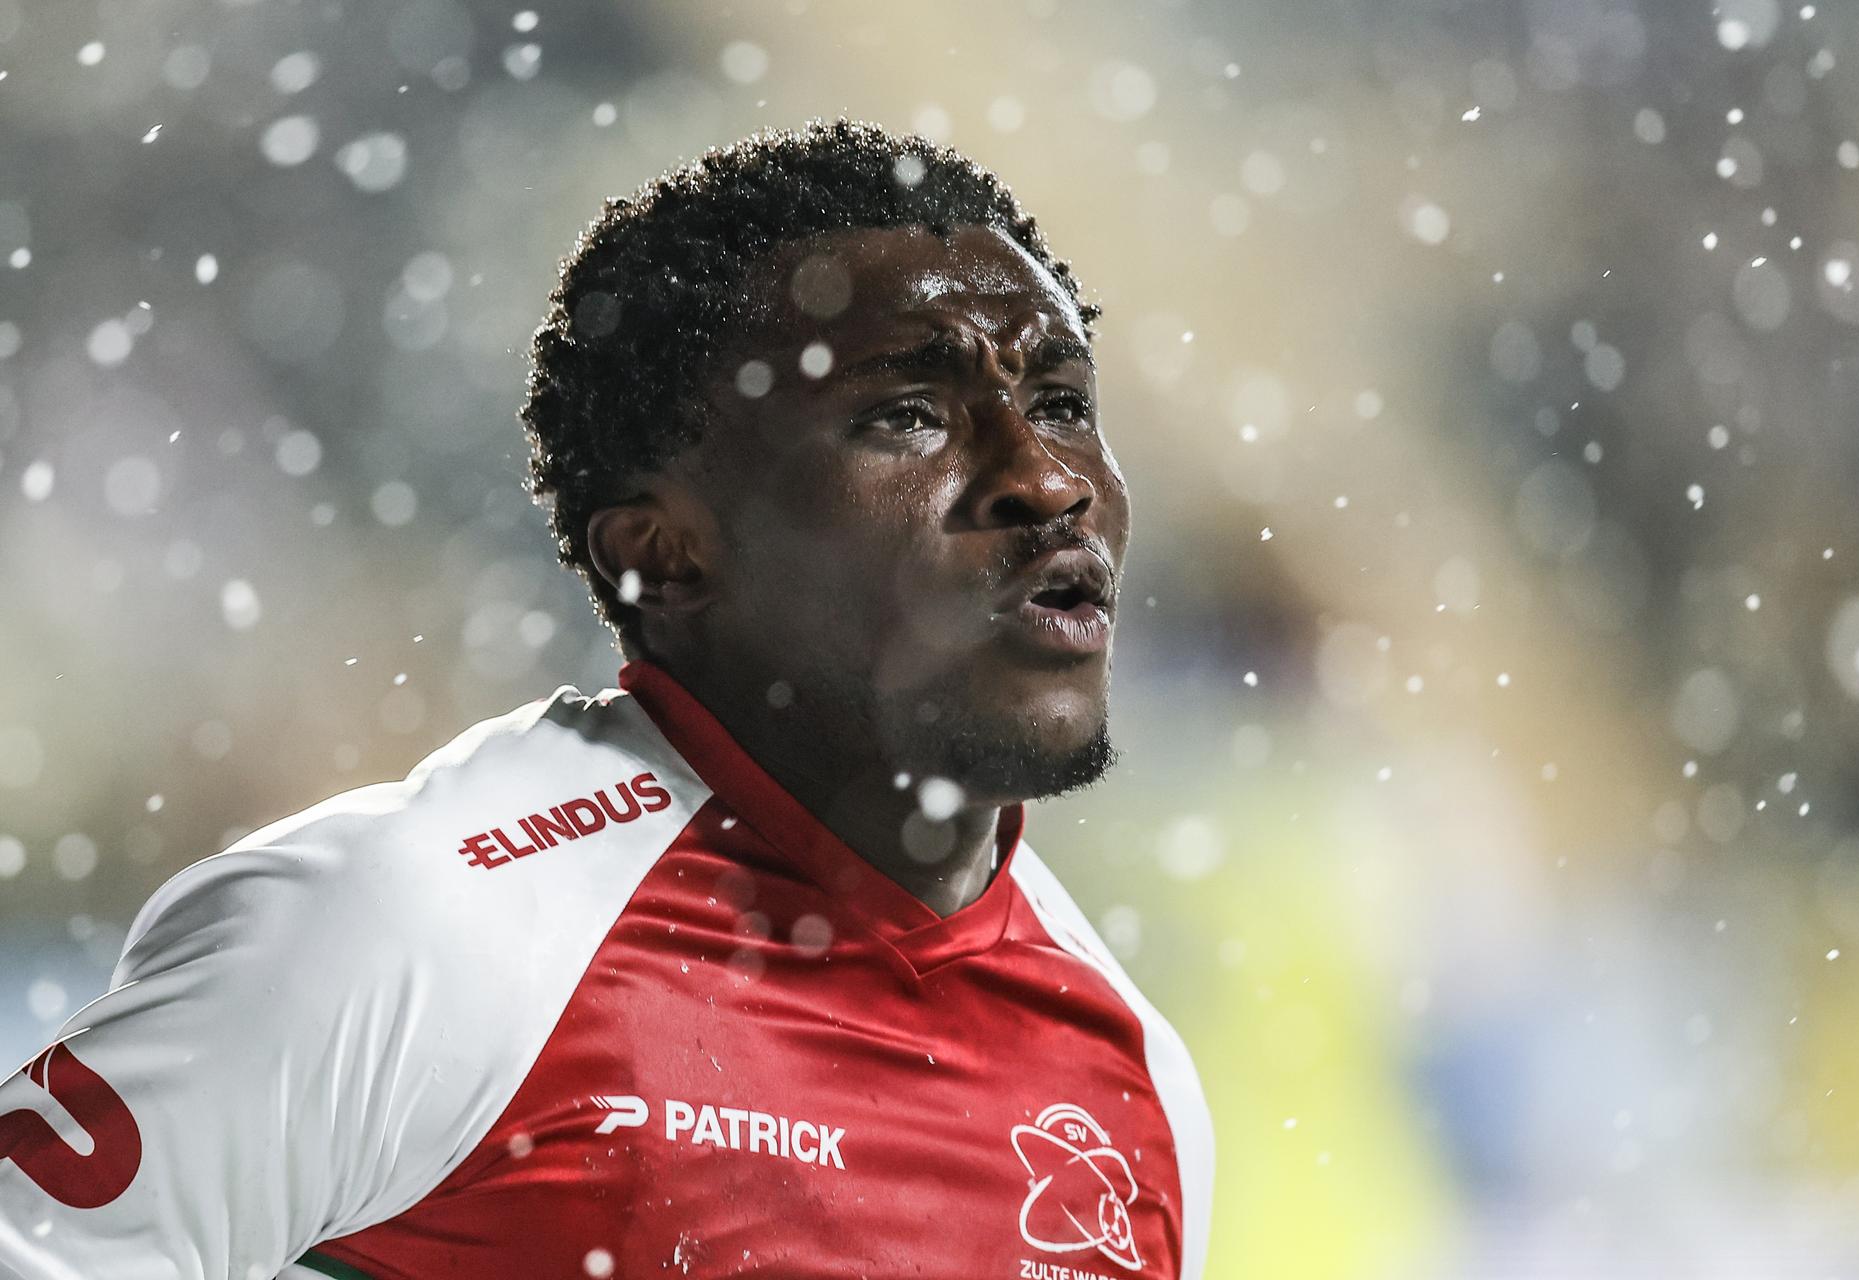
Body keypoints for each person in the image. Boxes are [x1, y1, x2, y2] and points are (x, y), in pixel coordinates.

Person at [0, 118, 1213, 1279]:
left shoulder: (1132, 1080)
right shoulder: (413, 930)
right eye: (906, 415)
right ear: (665, 555)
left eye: (1060, 401)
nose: (1048, 479)